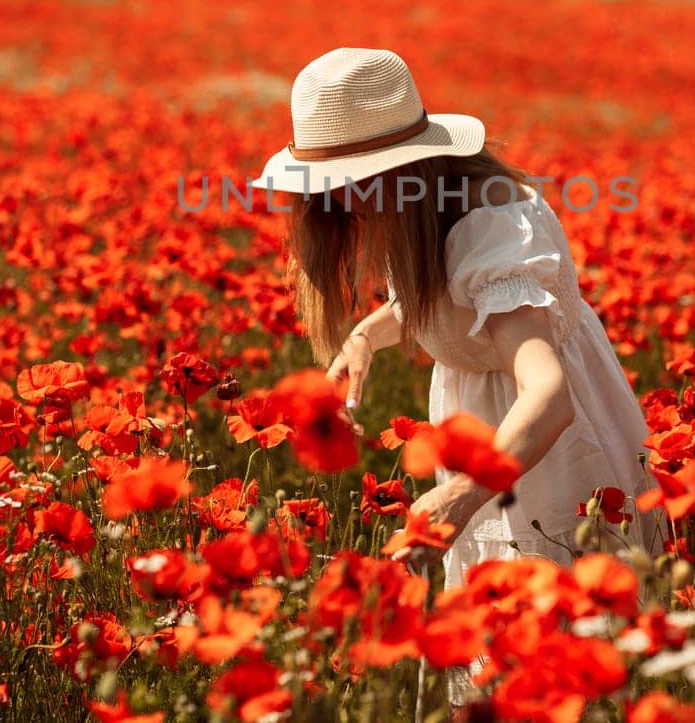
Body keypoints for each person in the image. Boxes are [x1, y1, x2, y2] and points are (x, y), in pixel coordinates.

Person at [251, 47, 665, 707]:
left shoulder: (490, 223)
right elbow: (440, 298)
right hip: (486, 437)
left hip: (542, 446)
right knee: (495, 657)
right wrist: (366, 335)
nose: (339, 201)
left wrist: (460, 497)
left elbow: (549, 396)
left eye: (353, 181)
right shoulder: (416, 209)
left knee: (555, 650)